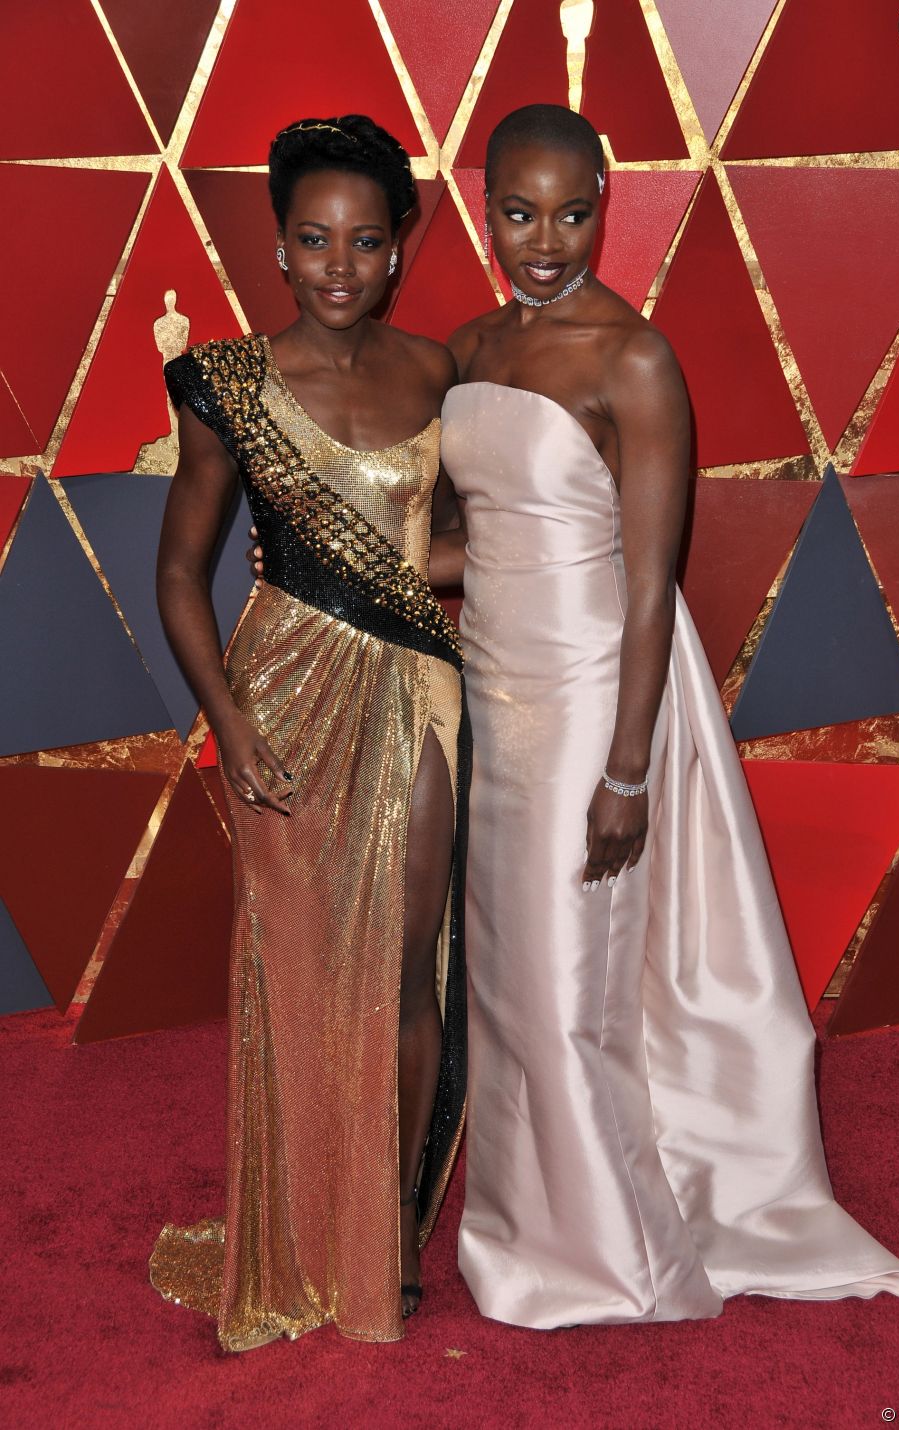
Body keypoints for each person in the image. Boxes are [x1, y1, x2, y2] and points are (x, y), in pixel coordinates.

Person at [437, 105, 899, 1326]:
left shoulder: (632, 358)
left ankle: (606, 1254)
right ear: (477, 199)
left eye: (572, 211)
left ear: (607, 200)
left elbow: (651, 577)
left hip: (595, 693)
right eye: (515, 211)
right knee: (503, 981)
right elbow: (469, 542)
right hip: (487, 693)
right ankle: (522, 1222)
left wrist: (627, 770)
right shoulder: (467, 346)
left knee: (563, 982)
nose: (543, 239)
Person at [150, 114, 467, 1350]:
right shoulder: (227, 381)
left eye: (366, 241)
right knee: (297, 972)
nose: (339, 263)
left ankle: (382, 1225)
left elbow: (436, 554)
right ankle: (299, 1217)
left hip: (418, 689)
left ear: (399, 248)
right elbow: (182, 573)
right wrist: (228, 727)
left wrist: (511, 561)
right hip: (278, 694)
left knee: (407, 956)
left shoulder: (443, 373)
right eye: (313, 239)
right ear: (279, 248)